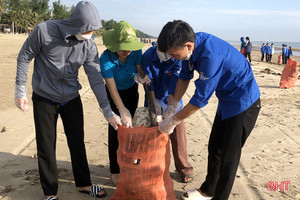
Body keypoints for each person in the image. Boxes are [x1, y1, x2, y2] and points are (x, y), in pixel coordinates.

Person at [14, 2, 122, 200]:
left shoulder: (88, 44)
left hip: (71, 97)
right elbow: (24, 56)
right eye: (88, 29)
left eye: (93, 30)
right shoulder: (44, 31)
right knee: (46, 145)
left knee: (77, 141)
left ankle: (84, 184)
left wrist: (107, 110)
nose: (91, 34)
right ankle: (50, 193)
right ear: (76, 25)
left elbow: (96, 78)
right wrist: (20, 88)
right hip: (44, 96)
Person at [156, 20, 261, 200]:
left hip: (244, 102)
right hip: (226, 101)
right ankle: (208, 191)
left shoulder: (210, 55)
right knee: (214, 147)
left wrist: (173, 121)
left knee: (229, 156)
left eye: (174, 55)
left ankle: (220, 197)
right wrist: (172, 105)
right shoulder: (192, 46)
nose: (173, 58)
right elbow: (184, 76)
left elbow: (199, 100)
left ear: (188, 46)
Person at [99, 21, 149, 185]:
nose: (126, 51)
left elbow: (139, 70)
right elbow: (112, 89)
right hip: (114, 94)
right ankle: (115, 169)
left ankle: (129, 164)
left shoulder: (136, 52)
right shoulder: (106, 58)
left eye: (129, 47)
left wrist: (141, 76)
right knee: (116, 129)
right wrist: (121, 110)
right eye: (122, 48)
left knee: (131, 129)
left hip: (131, 91)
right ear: (114, 45)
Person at [141, 46, 194, 183]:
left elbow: (175, 82)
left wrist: (170, 108)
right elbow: (148, 82)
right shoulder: (148, 56)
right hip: (153, 98)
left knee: (178, 134)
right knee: (151, 134)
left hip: (173, 99)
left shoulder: (178, 57)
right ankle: (152, 167)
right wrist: (154, 104)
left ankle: (184, 168)